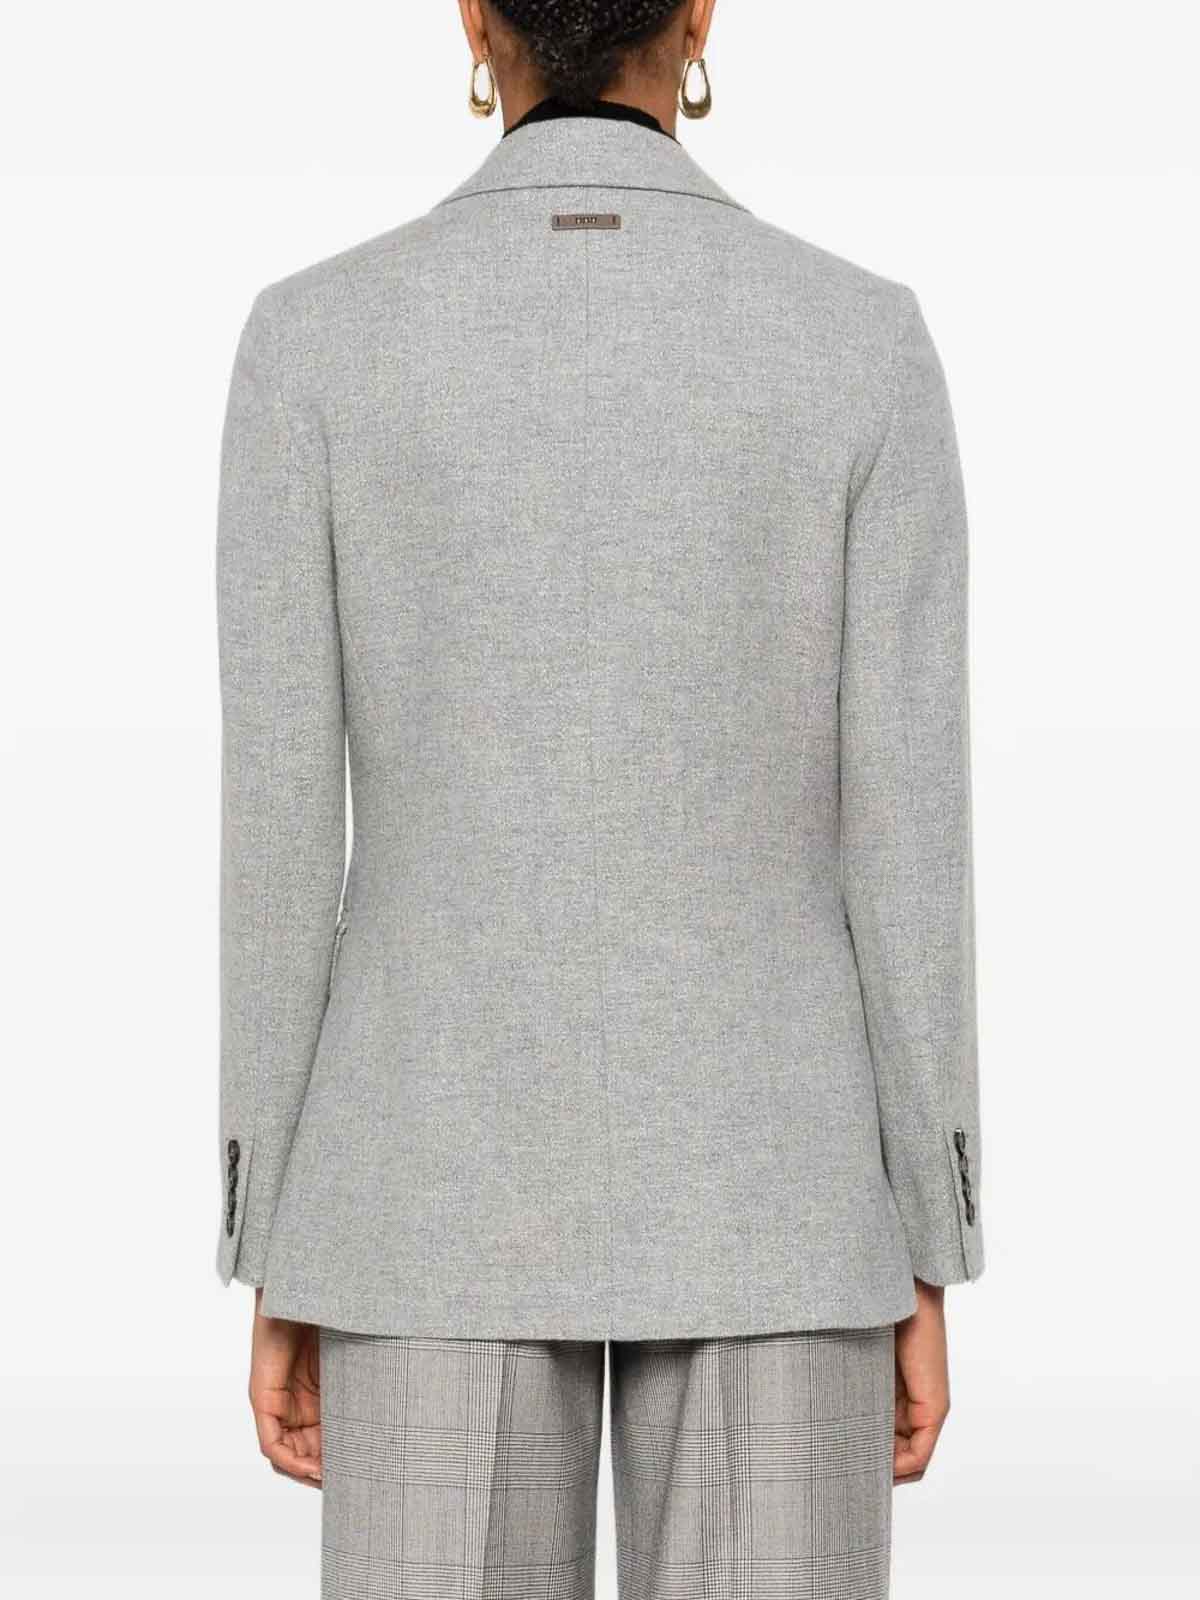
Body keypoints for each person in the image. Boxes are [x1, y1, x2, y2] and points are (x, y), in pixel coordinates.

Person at [214, 3, 984, 1595]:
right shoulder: (858, 341)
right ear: (697, 16)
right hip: (781, 1198)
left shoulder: (317, 342)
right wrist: (930, 1228)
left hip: (417, 1197)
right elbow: (906, 843)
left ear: (472, 18)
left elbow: (279, 840)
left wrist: (277, 1227)